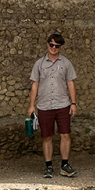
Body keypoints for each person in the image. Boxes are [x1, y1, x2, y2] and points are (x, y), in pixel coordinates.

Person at [28, 32, 78, 178]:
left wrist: (73, 103)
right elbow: (35, 85)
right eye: (51, 44)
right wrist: (31, 105)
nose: (53, 47)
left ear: (61, 47)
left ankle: (64, 165)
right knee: (47, 136)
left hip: (62, 104)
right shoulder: (39, 64)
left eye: (57, 45)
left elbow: (70, 83)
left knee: (65, 135)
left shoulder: (66, 63)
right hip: (44, 105)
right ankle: (48, 166)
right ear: (47, 44)